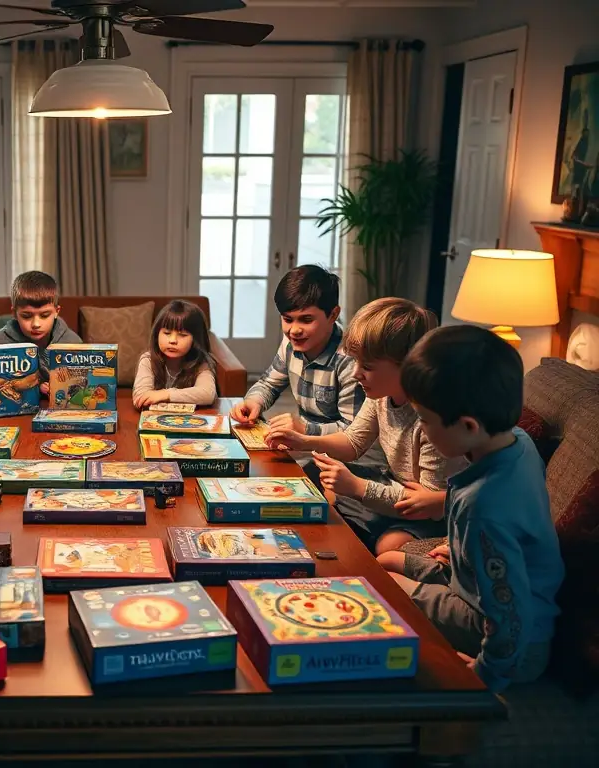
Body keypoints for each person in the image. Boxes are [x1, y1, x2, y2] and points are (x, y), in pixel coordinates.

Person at [377, 325, 564, 693]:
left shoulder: (485, 508)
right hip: (473, 585)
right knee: (382, 564)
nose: (423, 431)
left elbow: (509, 617)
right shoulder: (517, 442)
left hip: (512, 641)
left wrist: (483, 676)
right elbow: (519, 526)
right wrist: (464, 548)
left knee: (378, 590)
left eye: (426, 421)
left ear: (468, 425)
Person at [266, 298, 464, 554]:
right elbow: (353, 442)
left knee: (389, 544)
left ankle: (351, 549)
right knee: (313, 471)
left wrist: (357, 488)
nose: (356, 373)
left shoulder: (432, 421)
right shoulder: (381, 395)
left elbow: (427, 505)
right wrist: (305, 441)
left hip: (427, 513)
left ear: (409, 366)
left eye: (367, 366)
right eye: (356, 362)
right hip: (392, 485)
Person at [229, 265, 364, 436]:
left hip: (347, 459)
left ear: (333, 315)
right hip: (307, 447)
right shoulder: (291, 343)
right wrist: (253, 402)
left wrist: (305, 429)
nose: (294, 330)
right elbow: (269, 384)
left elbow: (354, 432)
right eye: (287, 319)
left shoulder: (350, 360)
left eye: (306, 320)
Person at [0, 270, 81, 397]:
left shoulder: (72, 342)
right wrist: (36, 388)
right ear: (14, 313)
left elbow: (81, 383)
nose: (36, 324)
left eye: (44, 315)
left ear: (56, 311)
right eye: (26, 316)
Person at [132, 299, 217, 408]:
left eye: (182, 335)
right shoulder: (148, 360)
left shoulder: (202, 363)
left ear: (195, 340)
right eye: (167, 333)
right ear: (157, 334)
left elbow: (207, 394)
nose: (172, 340)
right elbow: (140, 397)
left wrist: (165, 394)